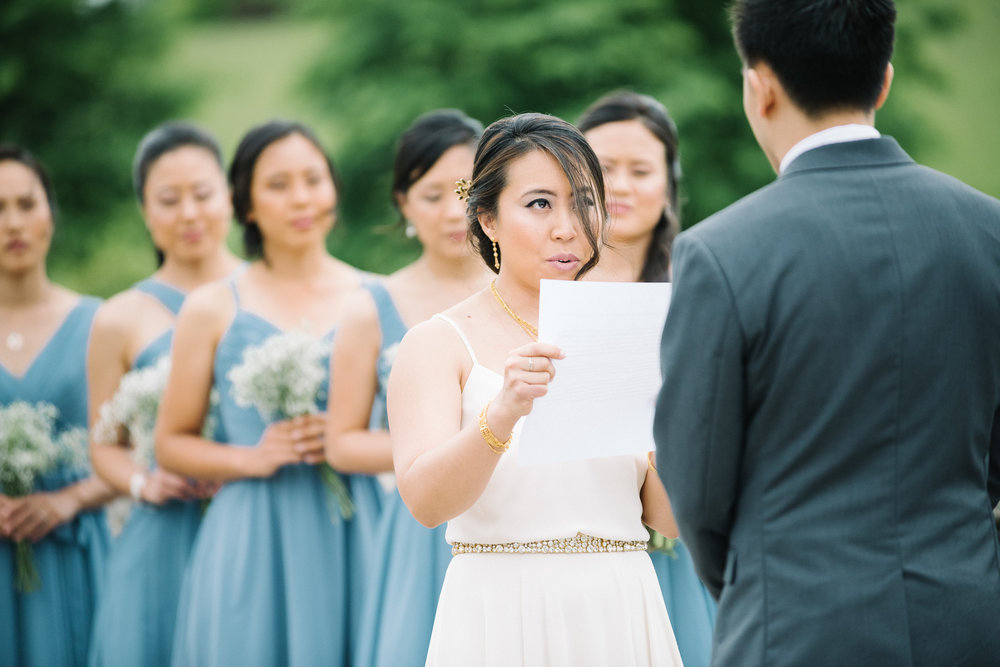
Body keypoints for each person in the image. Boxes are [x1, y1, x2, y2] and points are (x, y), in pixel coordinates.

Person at [653, 1, 1000, 665]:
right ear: (885, 80)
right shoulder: (988, 232)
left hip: (795, 625)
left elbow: (695, 483)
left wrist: (761, 583)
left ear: (760, 87)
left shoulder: (721, 252)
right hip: (967, 620)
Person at [388, 112, 683, 666]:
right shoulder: (438, 343)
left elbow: (667, 520)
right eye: (540, 204)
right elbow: (426, 502)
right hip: (499, 611)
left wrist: (671, 427)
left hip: (620, 604)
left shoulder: (631, 330)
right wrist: (501, 415)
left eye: (585, 203)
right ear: (487, 218)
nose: (568, 227)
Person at [155, 120, 361, 666]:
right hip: (251, 531)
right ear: (244, 203)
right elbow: (171, 443)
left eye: (313, 179)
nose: (301, 198)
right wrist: (254, 456)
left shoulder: (375, 296)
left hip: (357, 528)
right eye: (278, 184)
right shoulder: (211, 307)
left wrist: (352, 438)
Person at [325, 109, 490, 666]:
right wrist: (451, 444)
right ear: (403, 204)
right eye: (430, 194)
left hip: (514, 507)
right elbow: (342, 441)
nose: (452, 211)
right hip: (423, 527)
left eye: (467, 189)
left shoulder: (532, 293)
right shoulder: (370, 307)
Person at [87, 122, 243, 667]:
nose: (189, 214)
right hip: (162, 533)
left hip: (249, 520)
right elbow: (103, 445)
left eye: (202, 194)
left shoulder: (264, 294)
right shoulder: (118, 319)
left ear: (229, 196)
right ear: (146, 213)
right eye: (169, 200)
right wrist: (143, 481)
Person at [579, 90, 717, 667]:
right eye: (604, 169)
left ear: (668, 184)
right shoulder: (538, 296)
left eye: (641, 170)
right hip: (576, 541)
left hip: (678, 537)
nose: (623, 186)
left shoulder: (704, 287)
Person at [0, 144, 116, 666]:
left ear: (51, 212)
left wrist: (70, 499)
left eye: (27, 204)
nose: (14, 223)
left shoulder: (100, 324)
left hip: (75, 548)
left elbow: (135, 452)